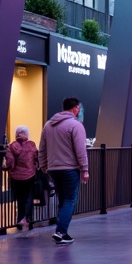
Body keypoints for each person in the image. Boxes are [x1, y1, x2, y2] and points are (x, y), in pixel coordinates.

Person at [39, 97, 90, 244]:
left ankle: (63, 232)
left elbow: (42, 148)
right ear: (75, 109)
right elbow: (81, 150)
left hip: (53, 169)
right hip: (70, 169)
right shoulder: (76, 125)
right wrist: (84, 169)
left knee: (63, 199)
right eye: (78, 109)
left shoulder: (48, 125)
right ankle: (61, 232)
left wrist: (43, 165)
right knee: (70, 199)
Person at [3, 125, 40, 231]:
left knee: (20, 199)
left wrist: (7, 168)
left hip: (16, 176)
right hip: (30, 175)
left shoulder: (12, 146)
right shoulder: (31, 145)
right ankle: (28, 220)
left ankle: (19, 220)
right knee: (29, 197)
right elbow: (36, 158)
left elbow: (10, 162)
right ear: (26, 134)